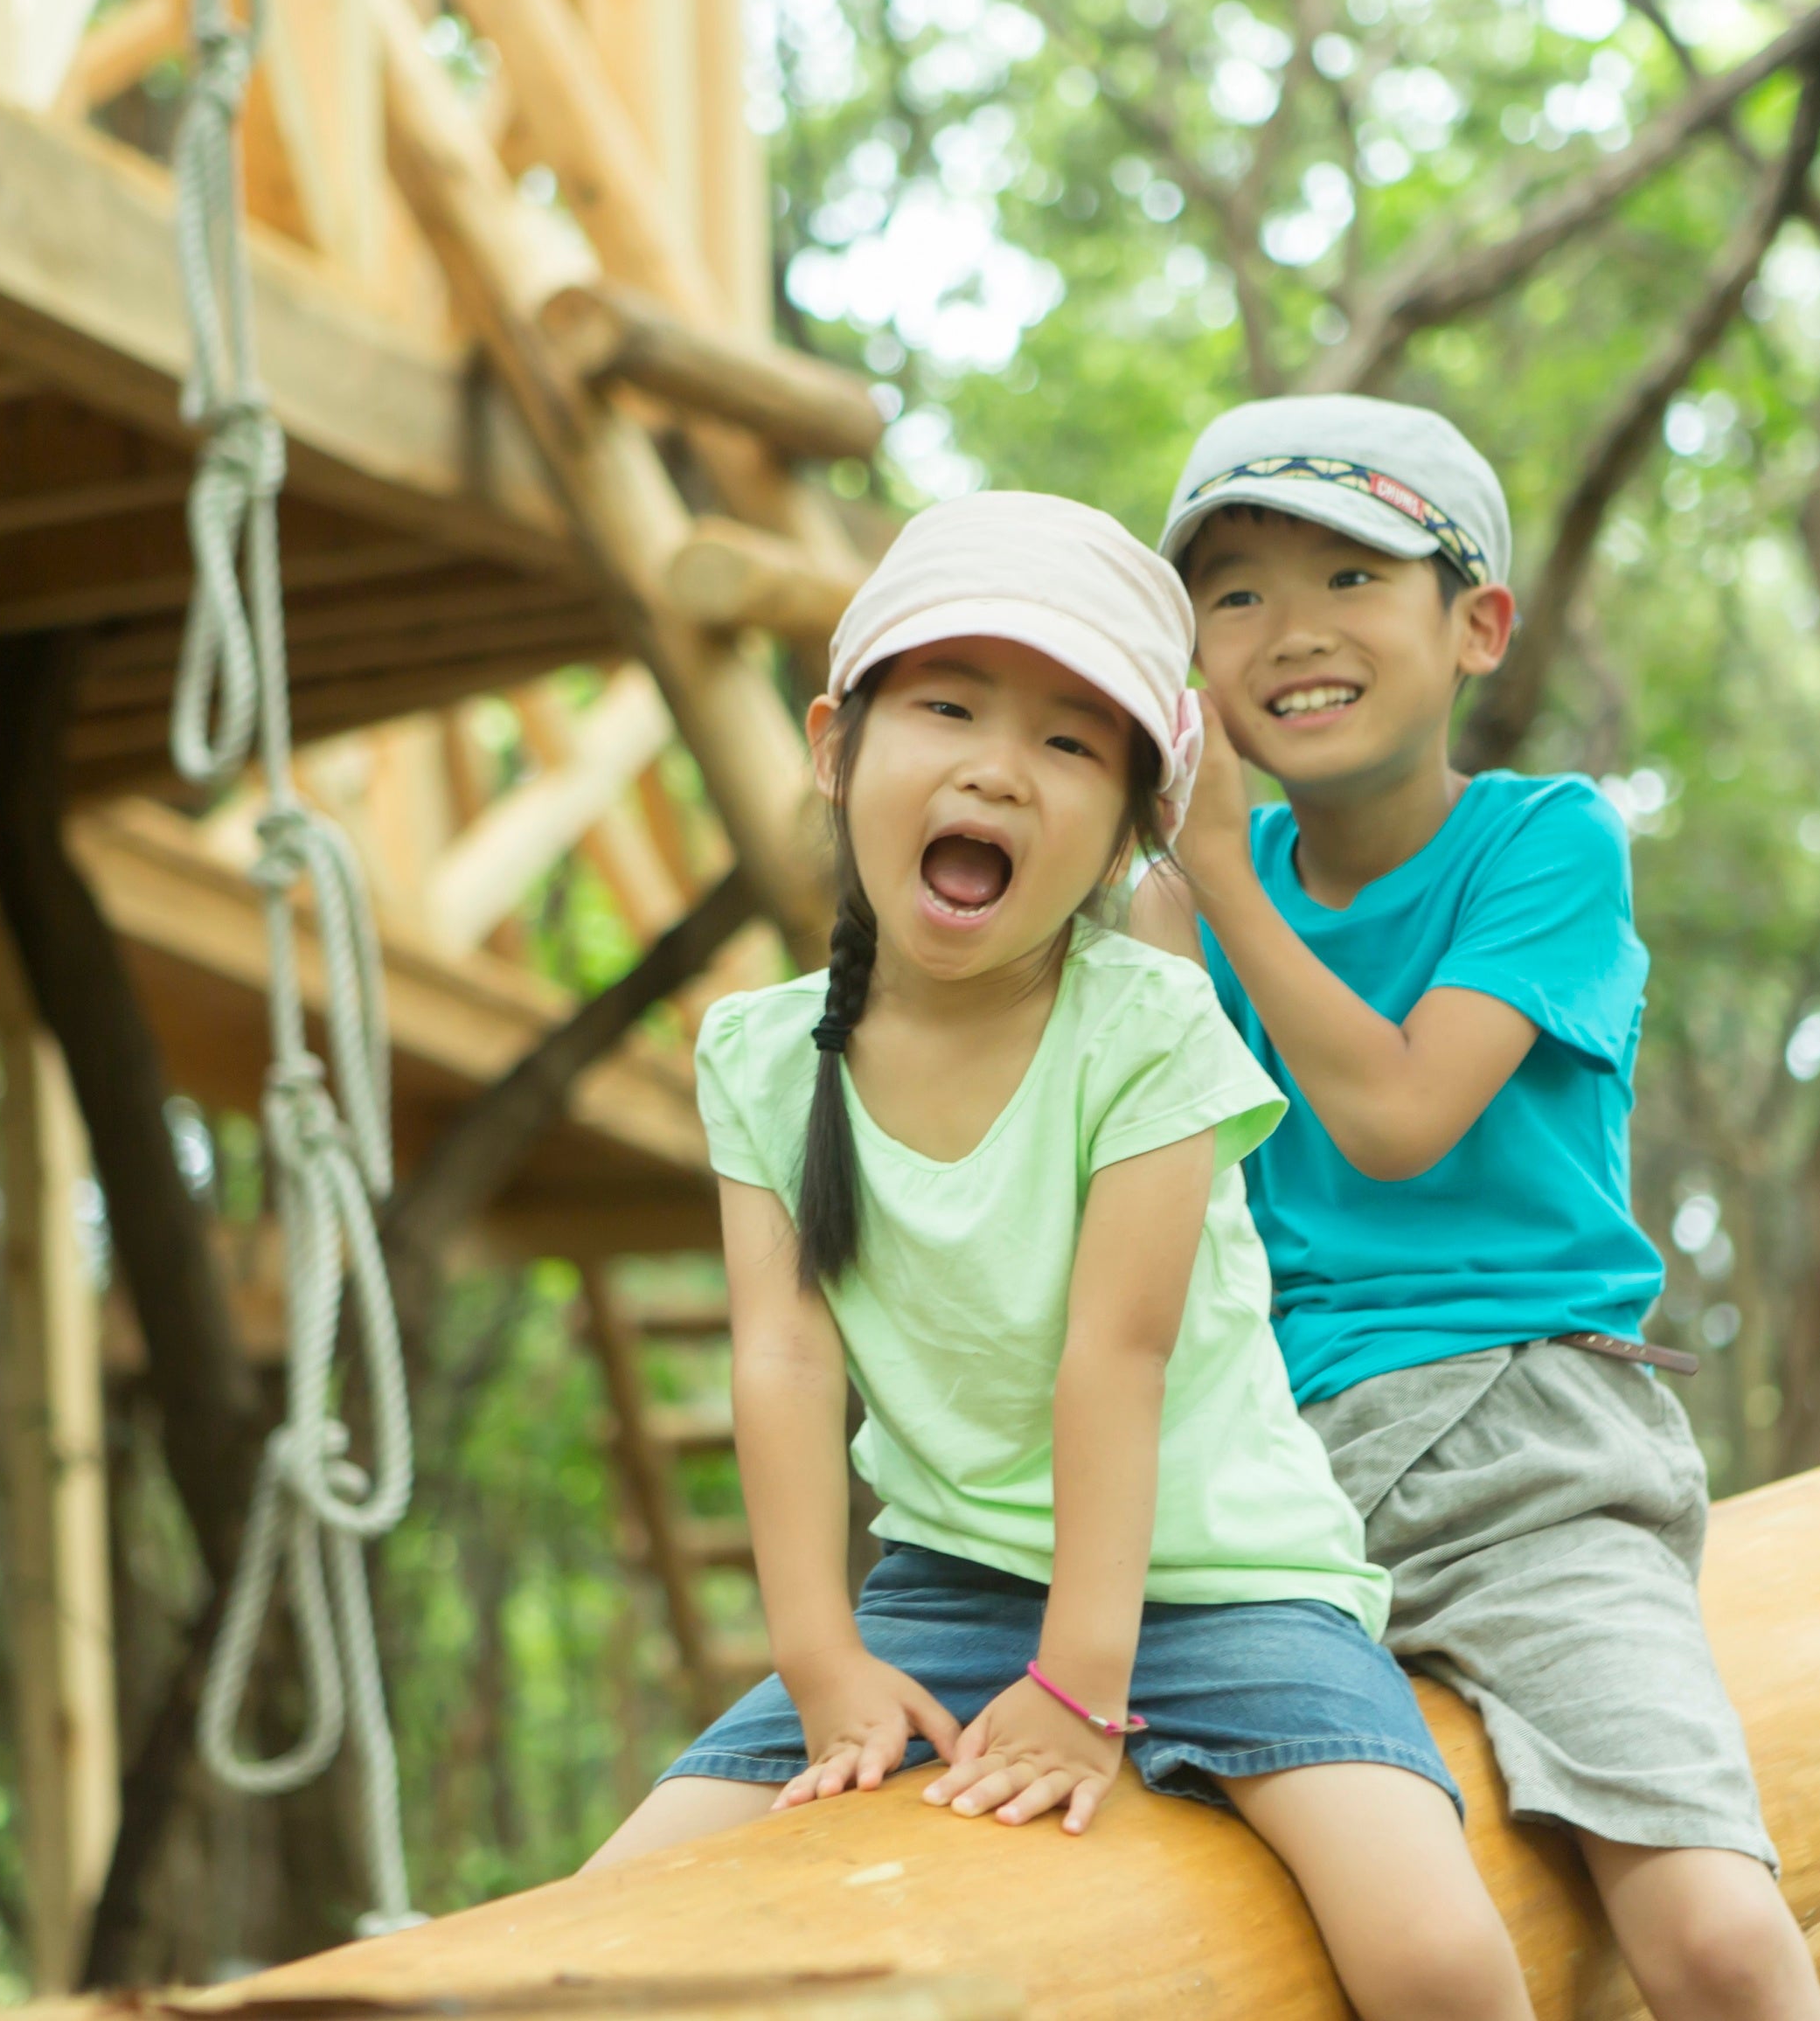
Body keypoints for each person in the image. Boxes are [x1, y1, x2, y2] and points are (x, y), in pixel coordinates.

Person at [588, 491, 1532, 2021]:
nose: (994, 770)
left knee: (1434, 1959)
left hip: (1229, 1587)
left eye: (1069, 745)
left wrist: (1086, 1686)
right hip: (946, 1590)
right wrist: (820, 1654)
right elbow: (783, 1352)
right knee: (610, 1917)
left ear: (1131, 822)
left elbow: (1120, 1357)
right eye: (948, 707)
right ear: (836, 747)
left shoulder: (1145, 1028)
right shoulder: (764, 1057)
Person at [1129, 399, 1820, 2021]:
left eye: (1351, 576)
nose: (1290, 631)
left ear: (1476, 626)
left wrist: (1220, 878)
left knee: (1714, 1937)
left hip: (1527, 1464)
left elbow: (1393, 1117)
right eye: (1233, 595)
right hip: (1275, 1489)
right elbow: (1158, 1187)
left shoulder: (1548, 840)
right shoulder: (1178, 906)